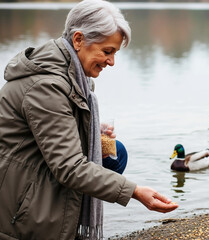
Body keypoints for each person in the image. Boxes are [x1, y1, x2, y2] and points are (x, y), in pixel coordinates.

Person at [0, 0, 178, 239]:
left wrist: (91, 127)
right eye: (107, 51)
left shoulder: (71, 77)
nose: (112, 62)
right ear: (78, 40)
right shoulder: (47, 86)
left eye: (114, 52)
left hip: (37, 179)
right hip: (18, 208)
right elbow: (69, 167)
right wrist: (134, 192)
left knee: (117, 153)